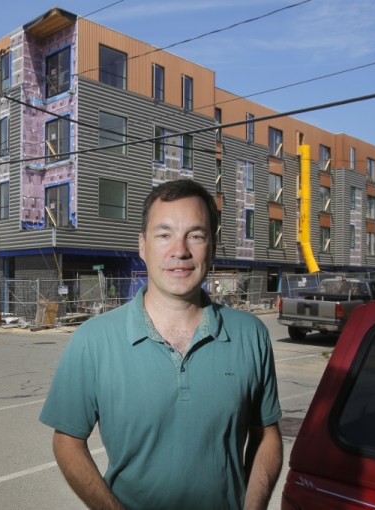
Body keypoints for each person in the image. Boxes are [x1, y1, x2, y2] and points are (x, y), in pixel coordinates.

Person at [39, 179, 282, 509]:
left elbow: (266, 434)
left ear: (211, 246)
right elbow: (67, 441)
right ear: (142, 245)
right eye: (164, 234)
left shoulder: (251, 334)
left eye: (195, 235)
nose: (179, 250)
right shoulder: (93, 340)